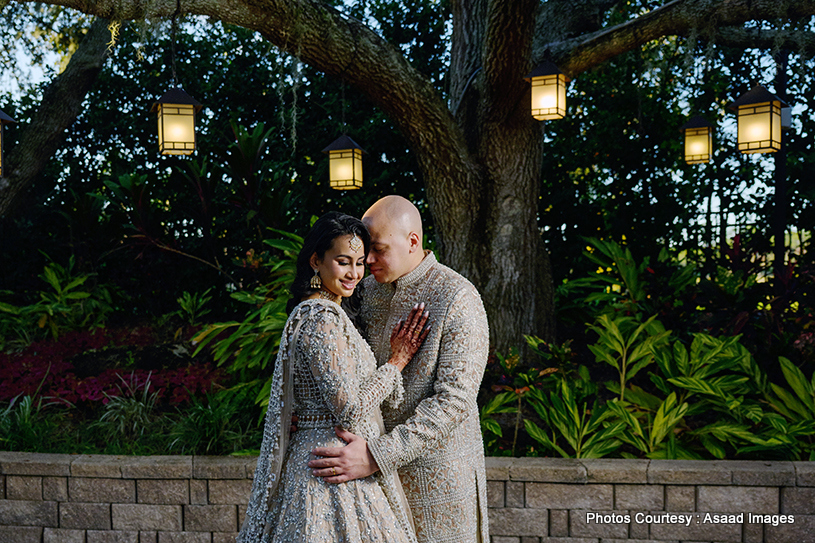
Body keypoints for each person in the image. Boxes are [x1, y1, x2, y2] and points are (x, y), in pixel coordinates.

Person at [238, 212, 430, 543]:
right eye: (343, 262)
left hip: (331, 458)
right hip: (329, 470)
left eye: (359, 262)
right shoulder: (319, 318)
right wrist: (397, 362)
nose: (354, 273)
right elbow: (351, 411)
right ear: (316, 261)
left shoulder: (329, 312)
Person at [308, 196, 491, 543]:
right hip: (369, 483)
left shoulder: (458, 297)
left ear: (412, 242)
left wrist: (377, 456)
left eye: (377, 250)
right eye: (365, 253)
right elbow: (338, 364)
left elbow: (453, 402)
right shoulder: (367, 290)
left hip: (436, 483)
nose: (368, 262)